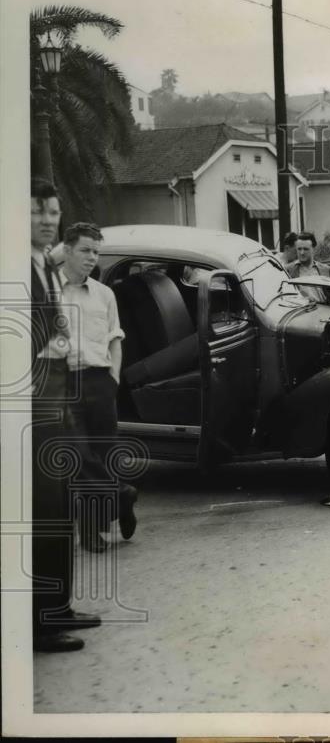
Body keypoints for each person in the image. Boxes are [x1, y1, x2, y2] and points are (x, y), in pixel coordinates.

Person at [29, 179, 101, 652]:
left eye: (53, 211)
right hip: (36, 406)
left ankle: (59, 605)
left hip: (58, 399)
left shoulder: (45, 263)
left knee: (62, 505)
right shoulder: (18, 266)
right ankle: (40, 621)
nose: (48, 219)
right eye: (37, 212)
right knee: (45, 513)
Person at [59, 223, 138, 553]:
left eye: (96, 252)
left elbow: (115, 340)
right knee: (78, 456)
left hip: (101, 382)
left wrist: (114, 378)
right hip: (64, 385)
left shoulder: (104, 295)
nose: (92, 258)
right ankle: (122, 495)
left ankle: (93, 531)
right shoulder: (48, 294)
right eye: (85, 250)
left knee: (102, 456)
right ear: (67, 251)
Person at [286, 232, 330, 302]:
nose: (302, 253)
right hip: (302, 310)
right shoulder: (289, 270)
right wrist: (305, 296)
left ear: (313, 249)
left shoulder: (327, 270)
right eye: (299, 249)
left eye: (305, 249)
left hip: (325, 311)